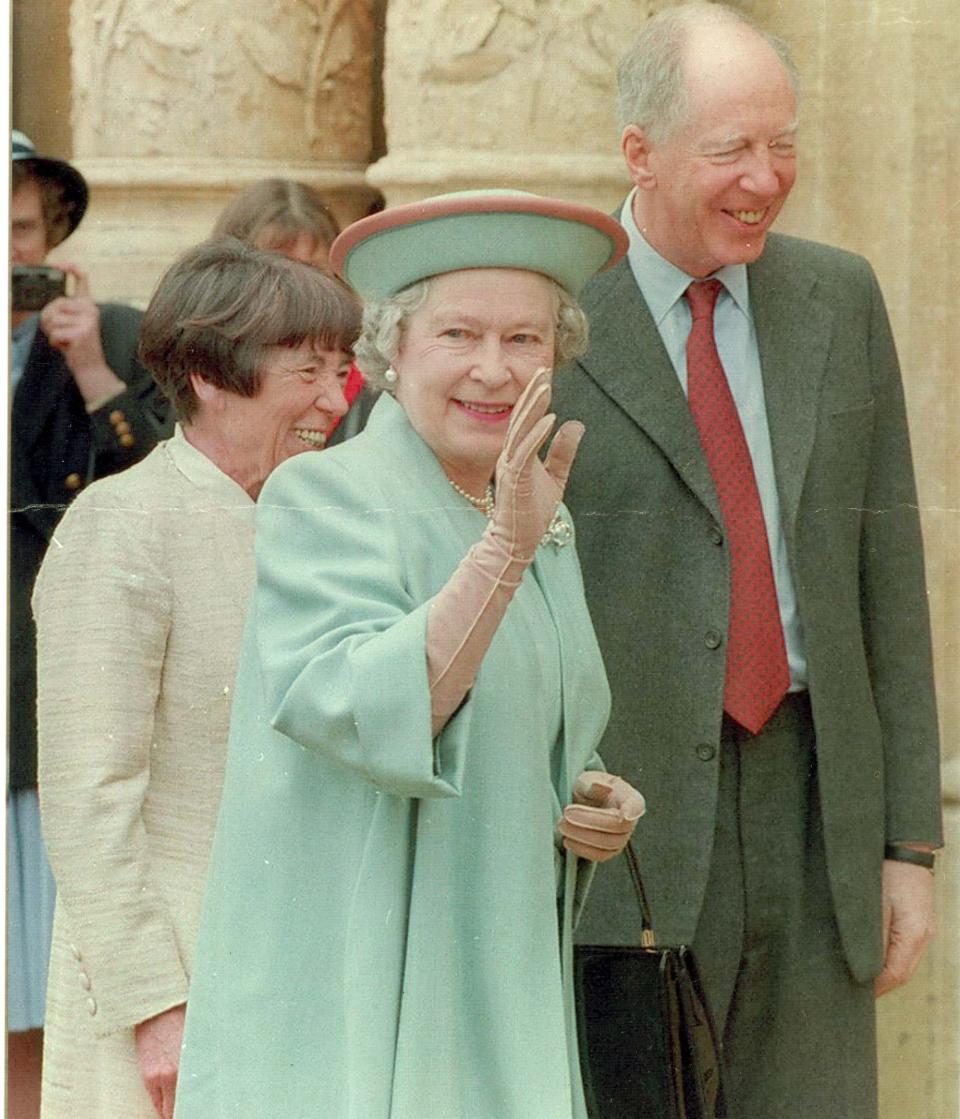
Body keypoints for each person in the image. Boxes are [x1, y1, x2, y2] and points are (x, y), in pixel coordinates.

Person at [173, 191, 644, 1119]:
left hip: (497, 961)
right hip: (359, 985)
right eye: (458, 334)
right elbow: (371, 709)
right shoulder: (324, 495)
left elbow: (528, 718)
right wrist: (504, 551)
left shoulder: (537, 515)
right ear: (390, 353)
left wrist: (589, 790)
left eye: (526, 341)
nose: (494, 370)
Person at [550, 6, 942, 1118]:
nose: (765, 178)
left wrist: (906, 843)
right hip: (620, 829)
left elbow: (887, 579)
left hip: (816, 810)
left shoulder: (839, 296)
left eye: (783, 143)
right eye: (730, 149)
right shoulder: (549, 309)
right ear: (640, 151)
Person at [33, 238, 359, 1119]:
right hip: (172, 972)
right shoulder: (123, 525)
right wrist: (156, 1008)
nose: (335, 400)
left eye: (343, 370)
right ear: (213, 377)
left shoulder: (327, 521)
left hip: (311, 953)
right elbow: (88, 797)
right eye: (309, 373)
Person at [8, 130, 172, 1119]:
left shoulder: (109, 336)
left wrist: (91, 373)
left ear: (55, 238)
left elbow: (162, 488)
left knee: (40, 988)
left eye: (19, 231)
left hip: (40, 706)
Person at [212, 177, 376, 446]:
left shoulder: (370, 378)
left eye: (312, 271)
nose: (298, 291)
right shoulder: (205, 372)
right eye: (277, 271)